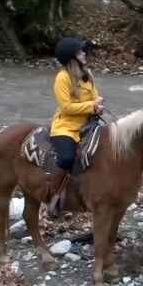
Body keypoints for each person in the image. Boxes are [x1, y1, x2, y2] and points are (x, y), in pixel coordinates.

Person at [49, 37, 104, 208]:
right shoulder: (62, 78)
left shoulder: (87, 75)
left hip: (87, 126)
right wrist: (91, 106)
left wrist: (98, 107)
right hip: (65, 127)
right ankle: (53, 194)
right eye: (80, 52)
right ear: (71, 58)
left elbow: (95, 98)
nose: (84, 54)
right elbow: (66, 107)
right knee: (66, 159)